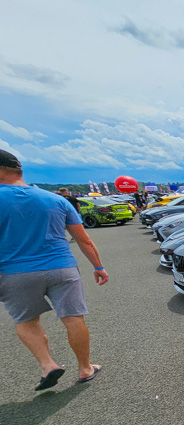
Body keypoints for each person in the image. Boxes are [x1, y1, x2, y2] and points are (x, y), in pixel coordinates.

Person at [0, 149, 107, 391]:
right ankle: (85, 368)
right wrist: (98, 267)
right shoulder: (55, 199)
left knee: (26, 321)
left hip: (13, 271)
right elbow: (84, 240)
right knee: (73, 318)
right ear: (20, 171)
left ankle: (48, 365)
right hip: (61, 267)